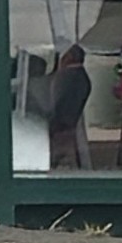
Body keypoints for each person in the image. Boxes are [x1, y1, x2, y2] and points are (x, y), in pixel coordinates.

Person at [44, 41, 93, 169]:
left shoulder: (68, 76)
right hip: (67, 125)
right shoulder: (82, 77)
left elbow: (57, 102)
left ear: (68, 57)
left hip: (61, 125)